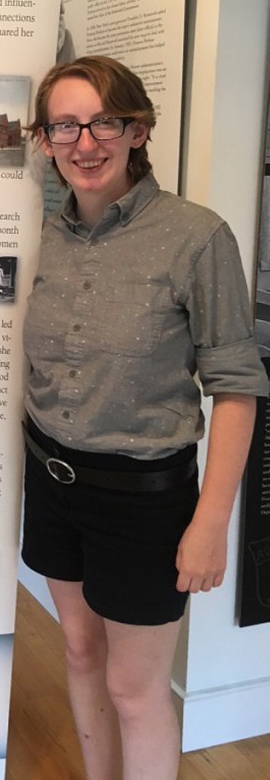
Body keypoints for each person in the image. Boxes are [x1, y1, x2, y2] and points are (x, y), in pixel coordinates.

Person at [22, 55, 268, 780]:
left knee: (134, 689)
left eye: (105, 122)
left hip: (142, 501)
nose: (85, 142)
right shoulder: (51, 228)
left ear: (139, 129)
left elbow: (237, 386)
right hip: (53, 478)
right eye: (66, 125)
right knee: (77, 650)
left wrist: (210, 524)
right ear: (46, 140)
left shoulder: (196, 237)